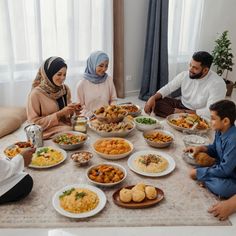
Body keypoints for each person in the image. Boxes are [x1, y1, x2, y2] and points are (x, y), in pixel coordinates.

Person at [144, 51, 226, 118]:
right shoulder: (185, 75)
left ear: (205, 70)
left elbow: (211, 110)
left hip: (197, 112)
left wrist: (185, 112)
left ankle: (180, 116)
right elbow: (168, 88)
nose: (190, 69)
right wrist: (153, 97)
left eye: (195, 68)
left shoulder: (217, 83)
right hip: (181, 104)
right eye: (190, 65)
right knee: (156, 101)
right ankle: (179, 115)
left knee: (211, 116)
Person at [185, 100, 236, 198]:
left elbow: (225, 170)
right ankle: (207, 178)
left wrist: (200, 173)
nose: (210, 121)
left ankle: (206, 180)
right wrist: (200, 148)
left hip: (232, 175)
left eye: (213, 119)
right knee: (197, 167)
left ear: (225, 121)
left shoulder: (233, 140)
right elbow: (215, 149)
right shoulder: (220, 130)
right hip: (224, 168)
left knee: (221, 188)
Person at [27, 57, 80, 139]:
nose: (62, 78)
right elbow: (34, 124)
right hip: (45, 130)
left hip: (64, 125)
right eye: (59, 74)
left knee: (81, 127)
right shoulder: (35, 94)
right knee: (69, 131)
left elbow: (68, 115)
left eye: (64, 74)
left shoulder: (65, 89)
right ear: (49, 74)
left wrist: (73, 110)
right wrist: (59, 114)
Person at [76, 51, 117, 117]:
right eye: (101, 66)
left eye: (106, 66)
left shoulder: (109, 79)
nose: (104, 69)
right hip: (89, 118)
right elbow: (80, 107)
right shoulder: (82, 84)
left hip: (107, 117)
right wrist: (93, 115)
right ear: (92, 64)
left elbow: (113, 100)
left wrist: (110, 111)